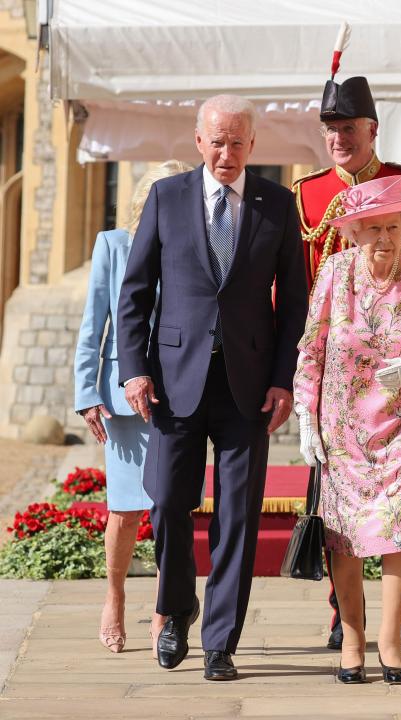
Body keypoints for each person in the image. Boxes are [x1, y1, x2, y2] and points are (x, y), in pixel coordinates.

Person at [116, 94, 307, 680]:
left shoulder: (278, 204)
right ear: (198, 142)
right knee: (170, 502)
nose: (226, 153)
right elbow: (136, 291)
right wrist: (134, 369)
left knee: (239, 516)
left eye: (237, 142)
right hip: (174, 384)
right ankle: (175, 610)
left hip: (248, 387)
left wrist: (283, 380)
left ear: (253, 144)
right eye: (216, 141)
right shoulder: (167, 199)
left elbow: (294, 302)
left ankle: (222, 641)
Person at [292, 69, 401, 650]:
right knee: (339, 516)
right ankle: (345, 620)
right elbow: (298, 292)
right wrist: (303, 399)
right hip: (341, 377)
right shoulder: (309, 191)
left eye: (348, 127)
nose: (338, 138)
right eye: (330, 128)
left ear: (372, 128)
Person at [75, 160, 192, 654]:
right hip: (124, 397)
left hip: (184, 393)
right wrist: (88, 394)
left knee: (171, 508)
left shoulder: (195, 247)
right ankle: (115, 595)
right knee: (125, 511)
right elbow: (94, 322)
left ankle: (167, 608)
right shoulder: (113, 245)